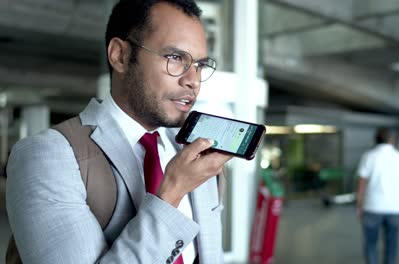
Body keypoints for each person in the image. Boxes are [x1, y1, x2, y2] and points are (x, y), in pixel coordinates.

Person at [6, 0, 232, 263]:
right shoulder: (47, 155)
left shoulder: (194, 151)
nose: (193, 80)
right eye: (175, 58)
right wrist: (172, 192)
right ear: (120, 56)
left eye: (200, 65)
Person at [356, 127, 399, 264]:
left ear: (376, 140)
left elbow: (362, 183)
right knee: (392, 245)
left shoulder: (368, 156)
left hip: (372, 208)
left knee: (370, 244)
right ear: (392, 140)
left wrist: (359, 204)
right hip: (394, 208)